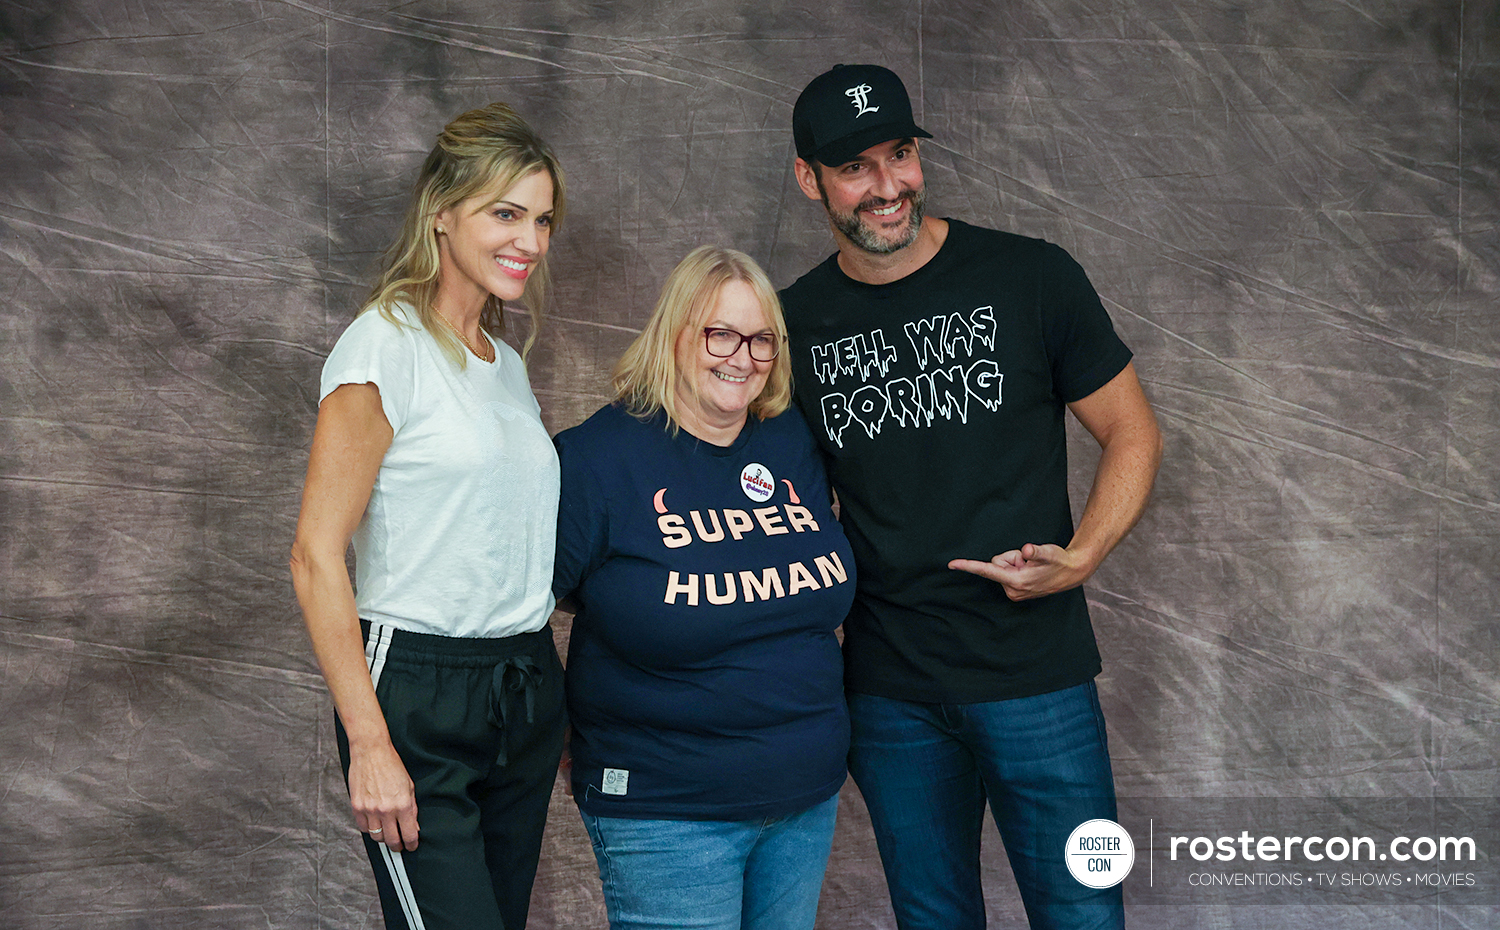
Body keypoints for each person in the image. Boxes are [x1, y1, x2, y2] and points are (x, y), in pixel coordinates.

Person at [779, 65, 1164, 930]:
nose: (888, 188)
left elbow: (1133, 432)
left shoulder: (1032, 277)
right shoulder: (792, 324)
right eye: (855, 168)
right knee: (933, 918)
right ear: (808, 178)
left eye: (901, 155)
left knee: (1084, 912)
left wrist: (1084, 557)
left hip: (1040, 679)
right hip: (889, 694)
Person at [290, 102, 568, 930]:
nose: (530, 240)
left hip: (521, 686)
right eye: (505, 213)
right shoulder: (384, 347)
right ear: (442, 213)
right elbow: (313, 555)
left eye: (543, 219)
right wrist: (370, 743)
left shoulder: (507, 366)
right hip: (416, 694)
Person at [552, 246, 856, 930]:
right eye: (721, 333)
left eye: (760, 340)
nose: (741, 358)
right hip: (667, 807)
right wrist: (554, 728)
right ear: (675, 336)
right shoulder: (597, 459)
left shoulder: (790, 443)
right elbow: (523, 613)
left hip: (803, 798)